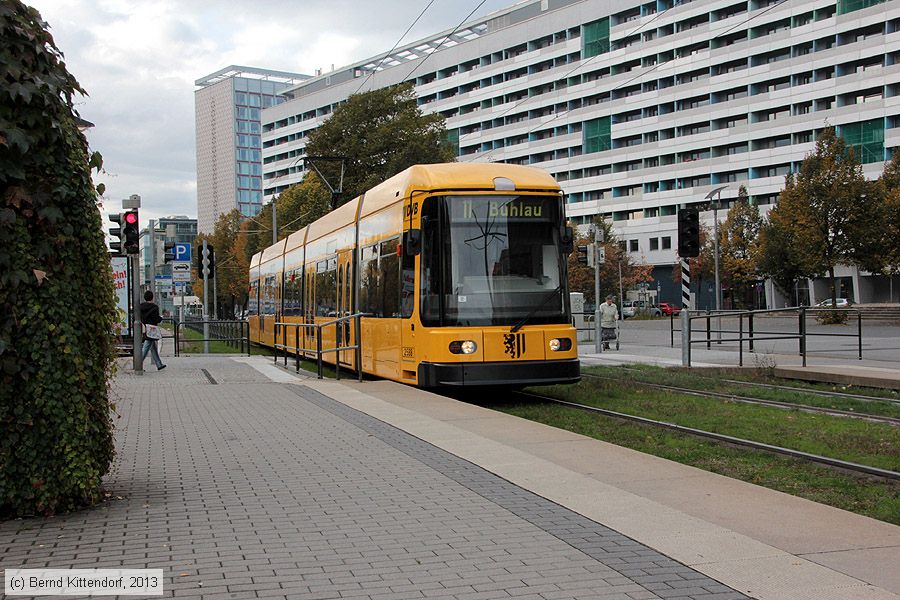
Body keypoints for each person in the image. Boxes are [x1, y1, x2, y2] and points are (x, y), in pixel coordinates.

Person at [140, 290, 166, 371]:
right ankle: (138, 364)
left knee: (152, 346)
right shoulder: (154, 307)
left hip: (144, 327)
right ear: (152, 297)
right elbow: (156, 319)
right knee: (146, 346)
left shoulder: (141, 307)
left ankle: (159, 364)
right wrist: (161, 318)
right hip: (152, 329)